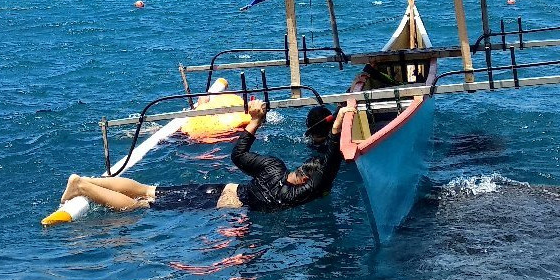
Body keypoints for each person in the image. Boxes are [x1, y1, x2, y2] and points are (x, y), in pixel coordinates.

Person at [60, 100, 346, 213]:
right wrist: (336, 129)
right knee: (139, 208)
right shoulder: (291, 195)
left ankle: (86, 181)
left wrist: (255, 122)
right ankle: (82, 186)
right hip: (214, 202)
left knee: (150, 190)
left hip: (219, 189)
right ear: (306, 181)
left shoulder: (274, 166)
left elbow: (238, 154)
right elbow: (330, 167)